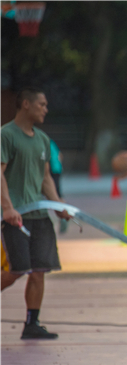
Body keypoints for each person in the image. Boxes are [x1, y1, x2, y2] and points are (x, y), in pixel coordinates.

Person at [1, 87, 72, 340]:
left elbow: (45, 179)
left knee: (40, 269)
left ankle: (32, 323)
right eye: (42, 104)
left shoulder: (42, 139)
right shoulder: (6, 135)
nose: (46, 109)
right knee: (17, 269)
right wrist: (7, 207)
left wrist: (58, 205)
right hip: (14, 215)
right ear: (26, 105)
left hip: (39, 213)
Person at [48, 138, 65, 234]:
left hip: (52, 171)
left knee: (54, 193)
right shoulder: (52, 143)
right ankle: (62, 211)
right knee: (58, 193)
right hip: (58, 169)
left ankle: (61, 212)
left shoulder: (42, 142)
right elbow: (60, 156)